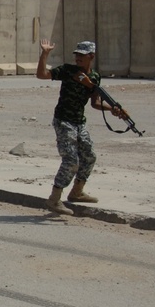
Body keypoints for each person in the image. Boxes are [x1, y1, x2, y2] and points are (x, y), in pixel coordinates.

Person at [36, 40, 121, 215]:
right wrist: (45, 53)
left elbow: (95, 103)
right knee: (71, 161)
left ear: (92, 56)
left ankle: (76, 192)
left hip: (79, 121)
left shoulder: (95, 77)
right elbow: (42, 75)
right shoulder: (68, 71)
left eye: (82, 55)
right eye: (77, 55)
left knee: (89, 156)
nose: (78, 58)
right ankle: (54, 199)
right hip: (64, 121)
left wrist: (112, 109)